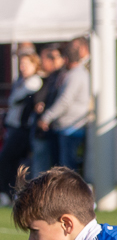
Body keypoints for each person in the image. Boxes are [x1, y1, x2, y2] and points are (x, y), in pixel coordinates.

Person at [40, 37, 91, 173]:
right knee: (67, 167)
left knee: (67, 169)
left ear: (66, 59)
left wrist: (46, 117)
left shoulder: (75, 75)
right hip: (71, 125)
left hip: (71, 127)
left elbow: (65, 100)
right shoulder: (78, 73)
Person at [0, 50, 42, 204]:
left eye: (26, 64)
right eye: (21, 64)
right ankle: (11, 193)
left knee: (8, 160)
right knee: (12, 162)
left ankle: (10, 193)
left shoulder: (34, 82)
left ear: (34, 65)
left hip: (23, 129)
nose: (22, 67)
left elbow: (17, 100)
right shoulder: (21, 81)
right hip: (14, 127)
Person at [29, 44, 68, 175]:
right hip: (44, 128)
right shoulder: (49, 78)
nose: (51, 61)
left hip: (54, 126)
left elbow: (63, 101)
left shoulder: (63, 76)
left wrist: (46, 118)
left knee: (54, 167)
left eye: (54, 57)